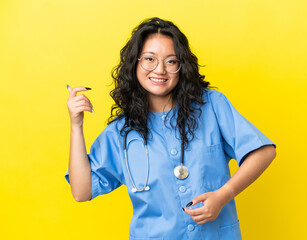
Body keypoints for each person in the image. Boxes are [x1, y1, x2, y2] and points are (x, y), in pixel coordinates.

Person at [65, 17, 276, 240]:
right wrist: (76, 126)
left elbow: (263, 151)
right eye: (149, 59)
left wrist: (224, 195)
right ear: (135, 64)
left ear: (182, 66)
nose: (160, 70)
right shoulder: (122, 131)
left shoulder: (211, 105)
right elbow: (82, 191)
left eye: (171, 61)